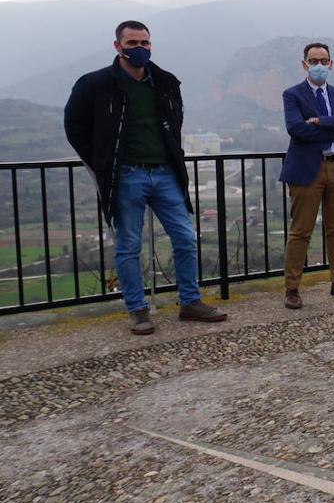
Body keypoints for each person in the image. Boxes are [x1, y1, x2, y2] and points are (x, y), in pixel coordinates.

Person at [64, 20, 227, 334]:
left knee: (185, 238)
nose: (139, 49)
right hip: (126, 175)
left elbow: (174, 121)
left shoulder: (165, 82)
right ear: (118, 46)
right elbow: (74, 126)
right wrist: (103, 161)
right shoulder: (95, 84)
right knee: (128, 245)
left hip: (166, 172)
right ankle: (138, 311)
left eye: (145, 43)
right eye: (133, 43)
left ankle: (190, 302)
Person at [279, 42, 334, 309]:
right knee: (301, 231)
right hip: (308, 169)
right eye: (314, 60)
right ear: (304, 64)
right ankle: (292, 288)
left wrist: (321, 121)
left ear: (331, 64)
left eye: (324, 61)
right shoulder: (292, 94)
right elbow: (296, 129)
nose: (319, 65)